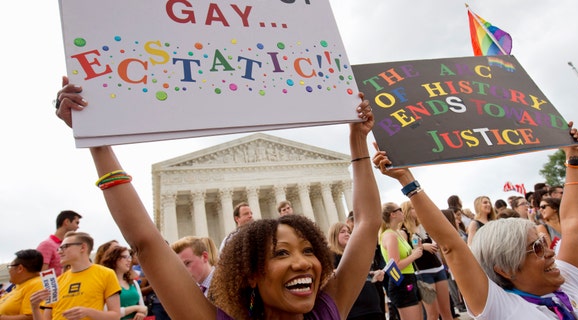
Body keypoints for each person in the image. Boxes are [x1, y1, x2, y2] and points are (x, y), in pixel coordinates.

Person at [53, 78, 381, 319]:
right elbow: (146, 242)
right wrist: (96, 139)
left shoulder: (327, 306)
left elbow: (366, 223)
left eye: (309, 250)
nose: (302, 262)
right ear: (250, 273)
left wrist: (357, 140)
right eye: (281, 253)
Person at [373, 123, 578, 319]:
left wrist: (575, 159)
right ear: (504, 269)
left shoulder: (570, 283)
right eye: (537, 248)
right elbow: (451, 245)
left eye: (544, 243)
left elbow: (576, 223)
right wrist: (406, 179)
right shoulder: (499, 307)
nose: (550, 253)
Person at [30, 231, 121, 320]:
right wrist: (35, 307)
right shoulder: (56, 282)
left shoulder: (106, 274)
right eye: (59, 248)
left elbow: (115, 316)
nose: (59, 252)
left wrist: (88, 312)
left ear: (82, 247)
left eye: (65, 247)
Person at [399, 201, 454, 320]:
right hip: (423, 273)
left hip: (438, 268)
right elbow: (406, 252)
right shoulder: (404, 231)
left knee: (446, 311)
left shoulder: (422, 226)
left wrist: (434, 244)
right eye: (413, 208)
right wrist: (423, 247)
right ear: (407, 212)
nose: (416, 210)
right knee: (432, 314)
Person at [328, 222, 385, 320]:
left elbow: (360, 275)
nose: (347, 234)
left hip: (373, 306)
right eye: (342, 232)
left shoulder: (356, 254)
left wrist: (373, 274)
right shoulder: (331, 256)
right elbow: (332, 276)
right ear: (334, 236)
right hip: (355, 310)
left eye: (348, 232)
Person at [378, 202, 423, 319]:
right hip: (401, 280)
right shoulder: (389, 236)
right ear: (393, 214)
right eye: (400, 210)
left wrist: (415, 250)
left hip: (409, 277)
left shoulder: (397, 233)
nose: (403, 212)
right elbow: (395, 266)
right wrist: (414, 256)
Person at [100, 246, 147, 320]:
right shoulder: (104, 284)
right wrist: (135, 308)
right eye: (125, 257)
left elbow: (143, 308)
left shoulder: (133, 283)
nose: (129, 260)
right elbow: (106, 311)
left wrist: (141, 313)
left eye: (129, 257)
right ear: (114, 259)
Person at [36, 210, 82, 276]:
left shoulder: (70, 246)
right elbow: (41, 274)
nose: (78, 227)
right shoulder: (47, 245)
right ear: (67, 222)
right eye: (76, 223)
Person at [0, 250, 44, 319]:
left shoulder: (36, 284)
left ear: (20, 268)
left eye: (10, 266)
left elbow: (30, 317)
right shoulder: (19, 285)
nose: (9, 270)